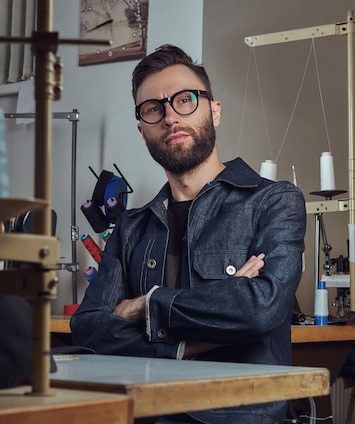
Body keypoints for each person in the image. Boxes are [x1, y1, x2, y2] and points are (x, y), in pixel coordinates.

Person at [71, 44, 306, 423]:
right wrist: (186, 345)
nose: (170, 117)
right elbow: (87, 329)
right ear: (142, 128)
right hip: (147, 414)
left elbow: (259, 310)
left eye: (185, 100)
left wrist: (146, 304)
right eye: (154, 109)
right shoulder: (132, 227)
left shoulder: (273, 201)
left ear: (214, 110)